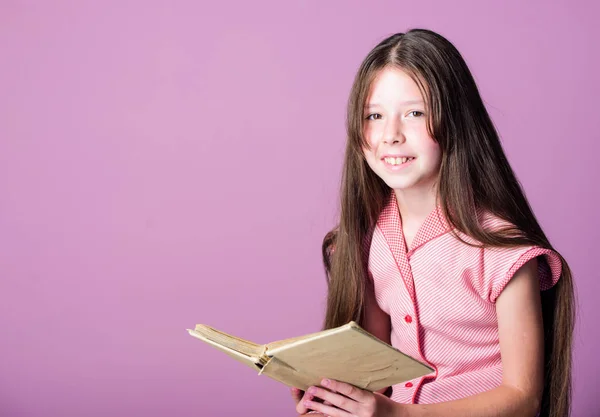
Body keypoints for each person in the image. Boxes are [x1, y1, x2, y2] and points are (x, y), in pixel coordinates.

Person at [290, 29, 574, 417]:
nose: (390, 136)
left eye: (415, 113)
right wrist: (332, 398)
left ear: (454, 121)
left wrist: (400, 414)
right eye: (374, 115)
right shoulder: (366, 240)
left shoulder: (502, 249)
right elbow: (377, 375)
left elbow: (524, 399)